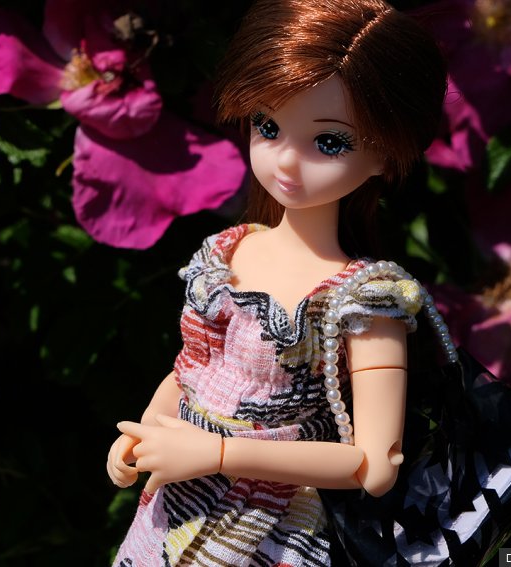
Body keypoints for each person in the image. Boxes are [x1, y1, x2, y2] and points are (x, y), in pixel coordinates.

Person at [106, 0, 447, 564]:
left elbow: (372, 466)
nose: (286, 162)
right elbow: (190, 370)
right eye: (268, 127)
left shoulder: (364, 301)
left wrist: (220, 453)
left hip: (270, 526)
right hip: (174, 505)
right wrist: (142, 433)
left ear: (386, 156)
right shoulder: (227, 254)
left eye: (329, 142)